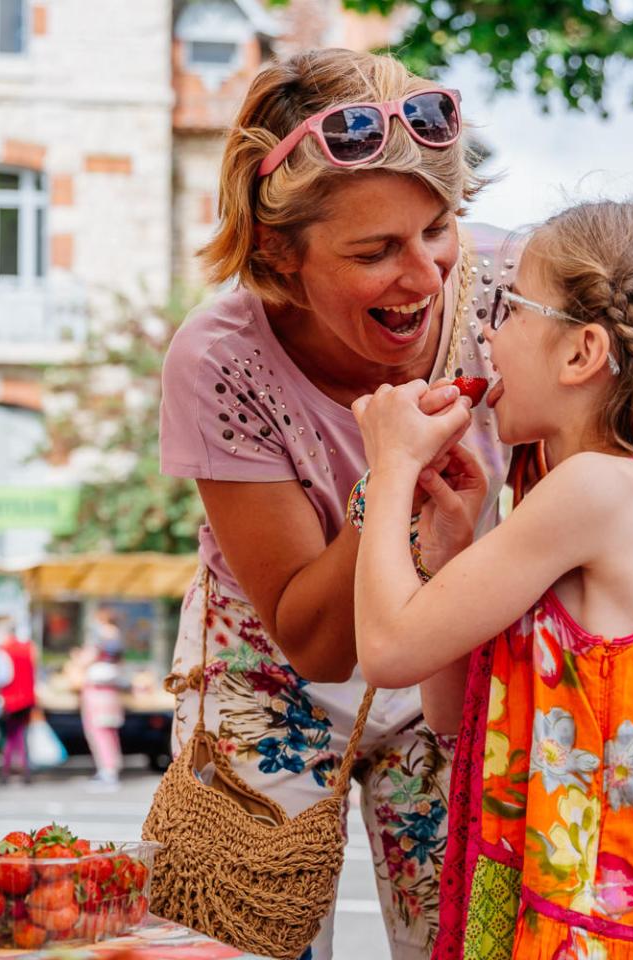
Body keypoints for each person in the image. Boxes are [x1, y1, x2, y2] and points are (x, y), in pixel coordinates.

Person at [155, 47, 520, 960]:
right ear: (279, 250)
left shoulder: (511, 297)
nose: (429, 277)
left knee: (466, 941)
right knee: (243, 941)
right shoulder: (219, 359)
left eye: (438, 229)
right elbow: (314, 641)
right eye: (375, 251)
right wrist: (386, 482)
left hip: (449, 654)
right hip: (270, 671)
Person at [351, 201, 633, 960]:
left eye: (507, 306)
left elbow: (384, 650)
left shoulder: (597, 490)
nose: (484, 330)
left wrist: (390, 468)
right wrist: (449, 551)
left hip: (593, 929)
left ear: (581, 353)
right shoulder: (571, 495)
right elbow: (453, 714)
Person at [80, 607, 127, 790]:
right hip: (111, 690)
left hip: (98, 690)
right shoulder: (117, 638)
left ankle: (108, 770)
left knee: (99, 731)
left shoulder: (101, 637)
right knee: (109, 732)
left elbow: (87, 658)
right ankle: (111, 767)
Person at [0, 621, 39, 786]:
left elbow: (2, 677)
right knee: (21, 735)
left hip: (12, 698)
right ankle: (24, 770)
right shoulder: (27, 648)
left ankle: (6, 770)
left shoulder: (3, 651)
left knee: (9, 736)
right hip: (27, 697)